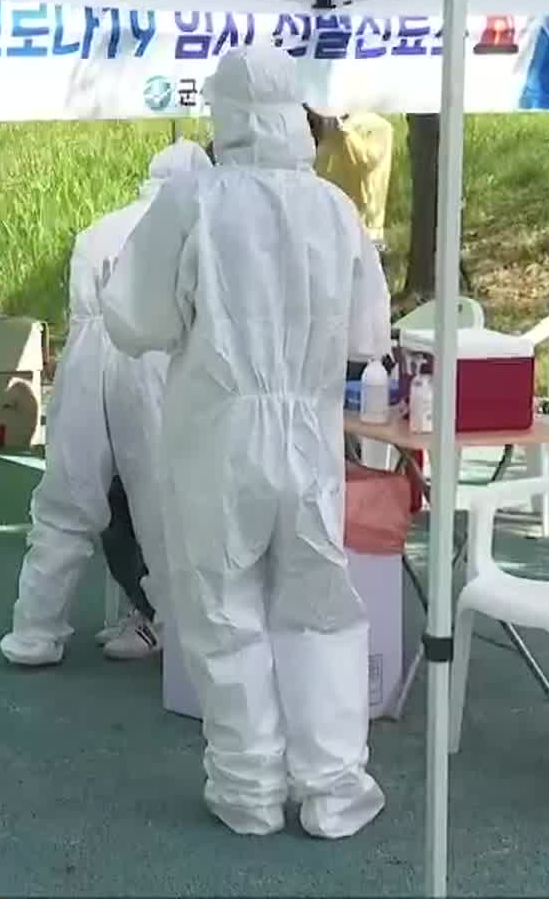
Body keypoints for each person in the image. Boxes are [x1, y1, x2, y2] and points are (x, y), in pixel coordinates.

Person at [101, 46, 391, 840]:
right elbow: (369, 334)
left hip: (219, 431)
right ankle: (334, 787)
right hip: (309, 432)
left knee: (223, 608)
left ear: (222, 115)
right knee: (320, 606)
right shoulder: (334, 208)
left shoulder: (193, 201)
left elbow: (138, 323)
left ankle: (248, 788)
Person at [0, 140, 209, 668]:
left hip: (86, 354)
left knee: (64, 502)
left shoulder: (99, 228)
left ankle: (34, 632)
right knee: (164, 504)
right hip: (152, 359)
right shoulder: (192, 224)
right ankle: (180, 639)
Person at [306, 108, 395, 257]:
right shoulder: (329, 130)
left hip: (365, 231)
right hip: (330, 229)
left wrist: (343, 130)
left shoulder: (378, 127)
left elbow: (366, 161)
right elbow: (319, 172)